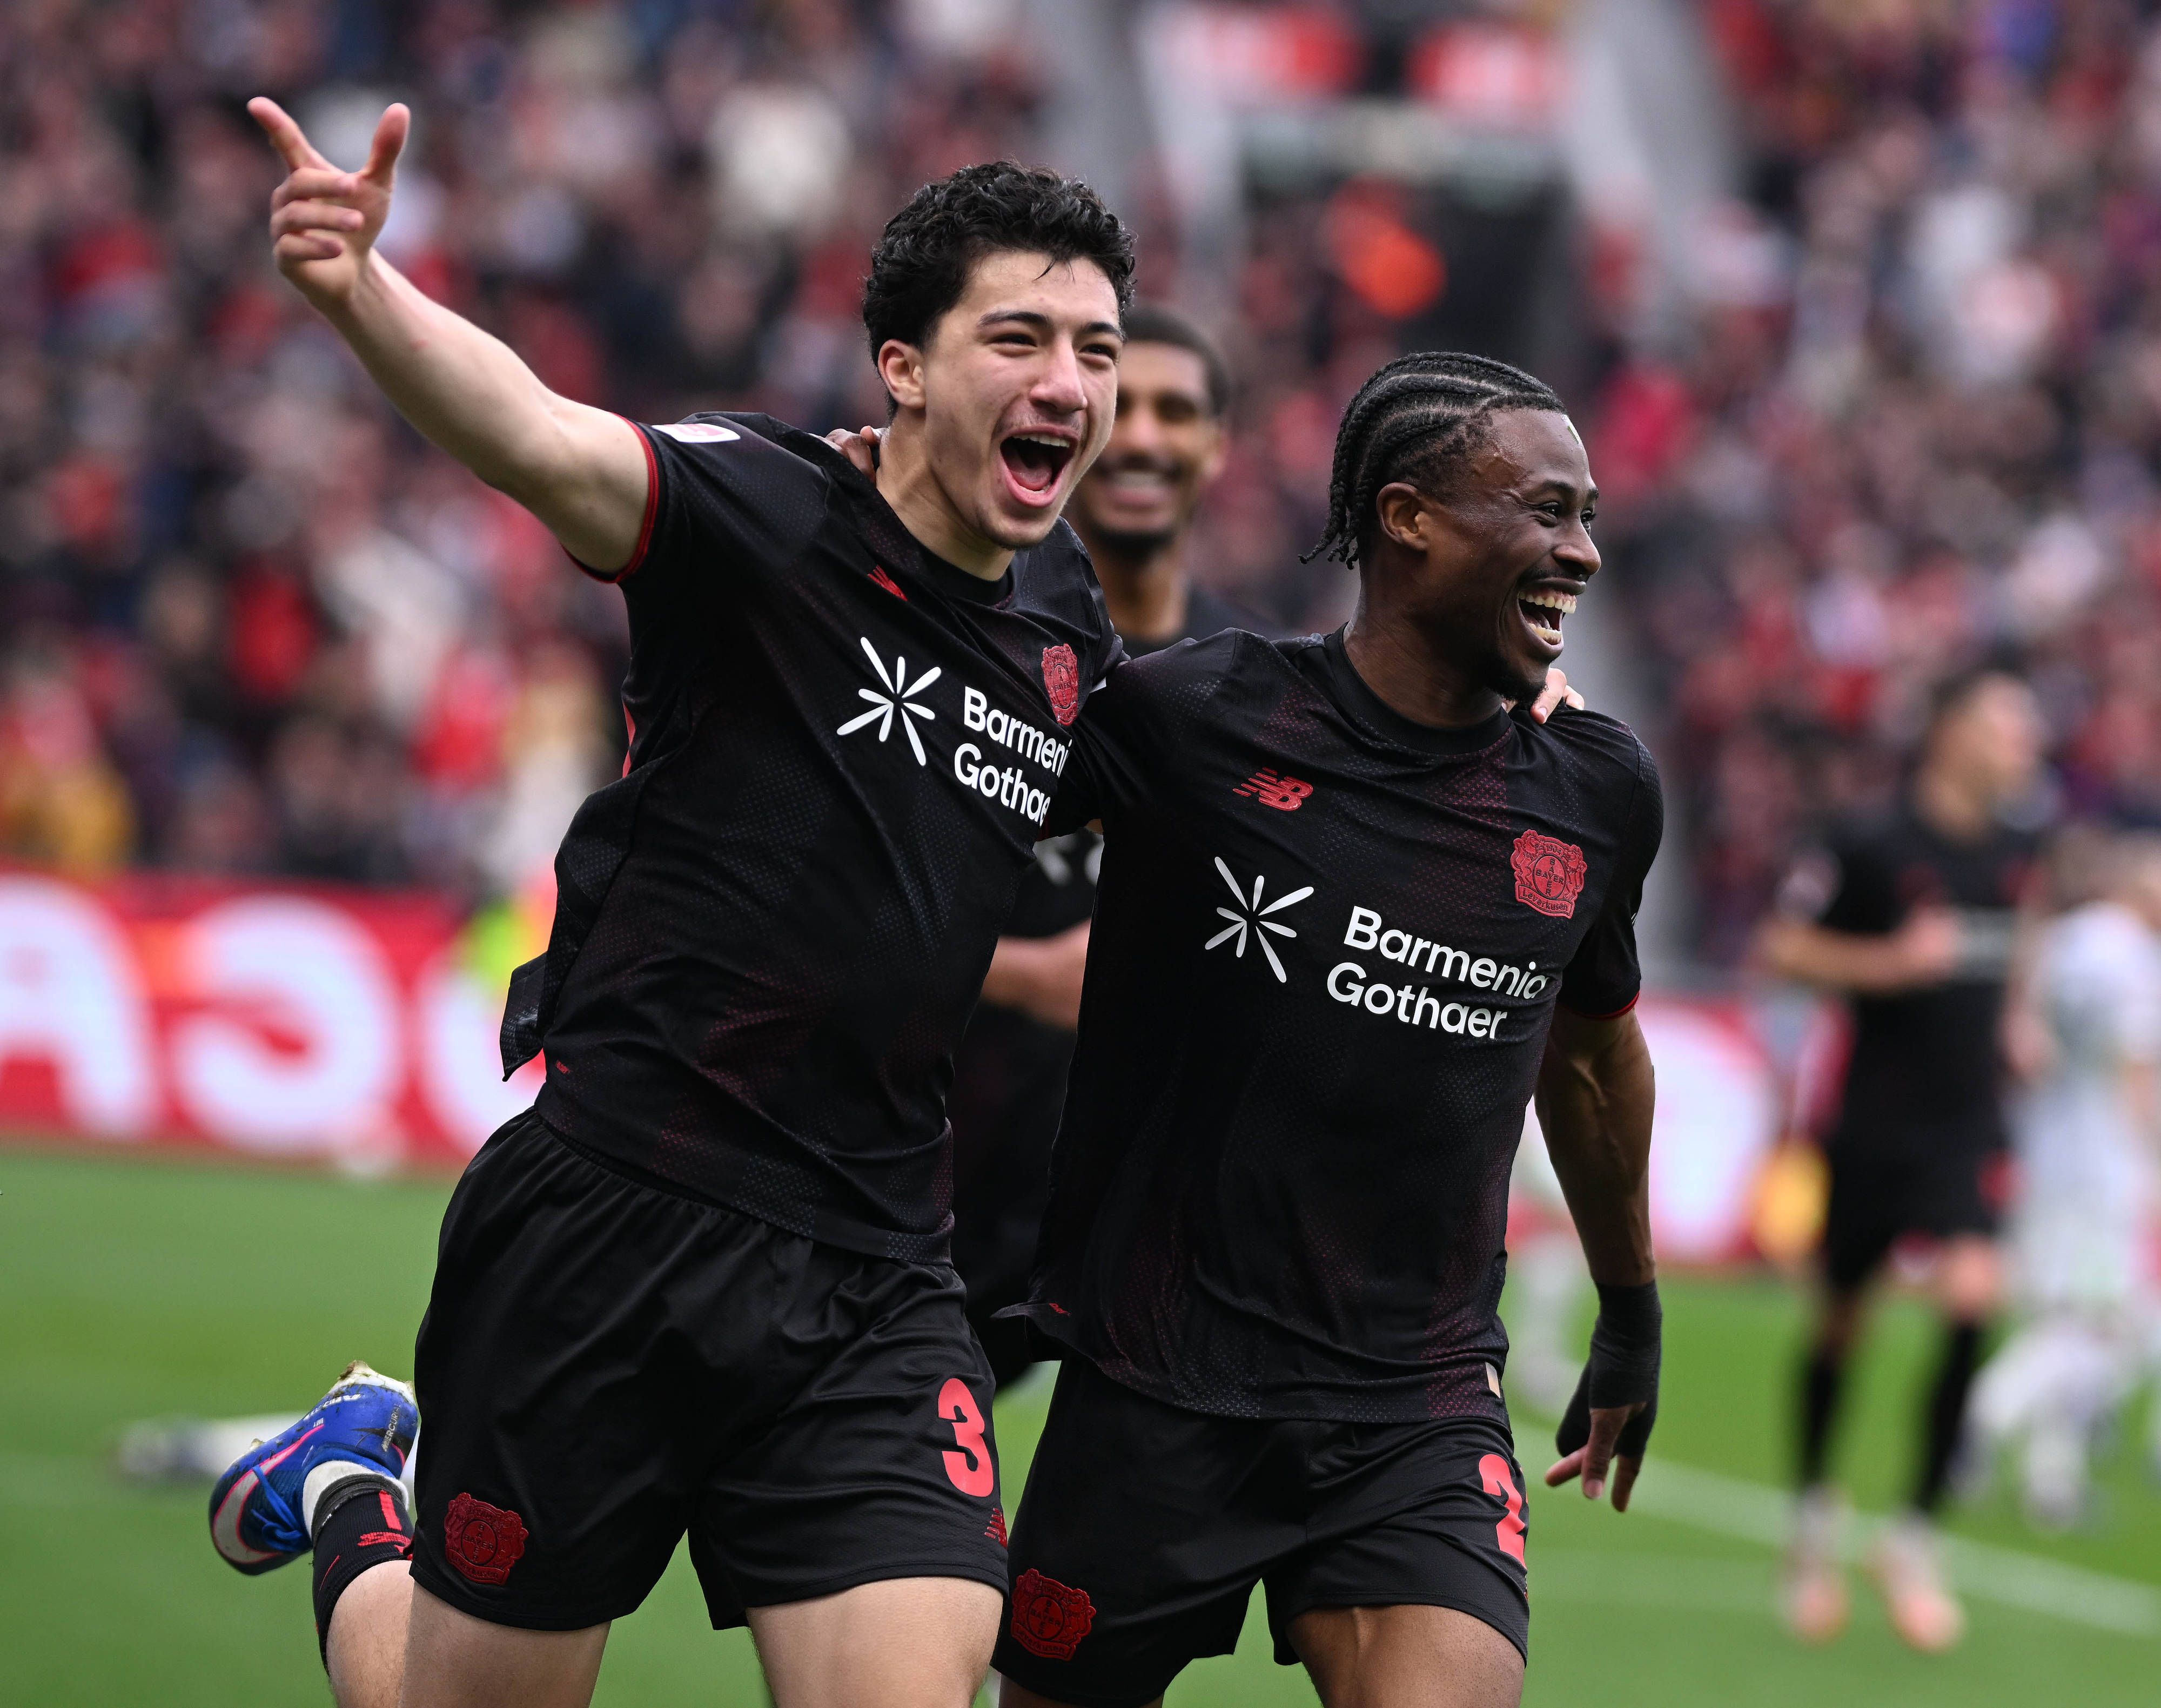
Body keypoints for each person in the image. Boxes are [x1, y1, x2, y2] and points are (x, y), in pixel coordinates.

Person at [207, 98, 1135, 1708]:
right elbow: (542, 434)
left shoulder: (1065, 619)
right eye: (1023, 337)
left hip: (871, 1270)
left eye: (1099, 350)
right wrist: (364, 290)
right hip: (611, 1225)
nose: (1071, 382)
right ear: (904, 366)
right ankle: (361, 1488)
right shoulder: (758, 516)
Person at [985, 353, 1665, 1708]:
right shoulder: (1197, 720)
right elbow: (933, 821)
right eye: (1543, 511)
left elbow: (1588, 1062)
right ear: (1407, 519)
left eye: (1586, 514)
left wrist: (1630, 1306)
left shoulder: (1592, 791)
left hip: (1409, 1405)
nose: (1580, 553)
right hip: (1156, 1382)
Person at [947, 304, 1270, 1384]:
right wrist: (1016, 972)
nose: (1139, 440)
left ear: (1217, 444)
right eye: (1122, 408)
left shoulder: (1256, 686)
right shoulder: (970, 627)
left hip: (1120, 1219)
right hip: (905, 1167)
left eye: (1175, 413)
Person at [1757, 668, 2048, 1652]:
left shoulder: (2019, 850)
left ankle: (1915, 1536)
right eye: (2007, 724)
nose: (2025, 742)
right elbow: (1784, 945)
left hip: (1970, 1126)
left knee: (1974, 1299)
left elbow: (2022, 946)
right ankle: (1810, 1529)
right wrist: (1888, 964)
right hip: (1877, 1123)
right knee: (1843, 1324)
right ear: (1952, 732)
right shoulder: (1869, 840)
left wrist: (2021, 1020)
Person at [1969, 830, 2161, 1527]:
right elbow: (2134, 1070)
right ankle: (1987, 1412)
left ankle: (2054, 1481)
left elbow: (2023, 1041)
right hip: (2107, 1162)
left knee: (2057, 1313)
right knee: (2111, 1327)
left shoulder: (2060, 942)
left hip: (2047, 1149)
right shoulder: (2132, 957)